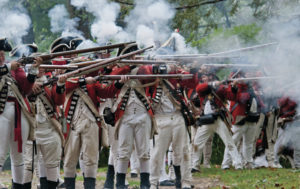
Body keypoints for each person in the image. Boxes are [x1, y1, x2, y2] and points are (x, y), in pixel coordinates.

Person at [61, 37, 127, 189]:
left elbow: (106, 92)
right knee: (70, 159)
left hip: (90, 123)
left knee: (91, 158)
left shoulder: (91, 82)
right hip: (71, 124)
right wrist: (83, 81)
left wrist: (119, 83)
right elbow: (65, 86)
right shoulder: (67, 81)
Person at [112, 43, 156, 189]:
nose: (133, 57)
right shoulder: (118, 69)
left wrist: (138, 66)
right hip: (125, 116)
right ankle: (120, 183)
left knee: (143, 151)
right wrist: (128, 67)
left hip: (142, 114)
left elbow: (150, 79)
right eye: (130, 55)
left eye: (134, 55)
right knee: (123, 151)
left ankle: (145, 183)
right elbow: (111, 80)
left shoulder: (143, 67)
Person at [0, 38, 41, 189]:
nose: (2, 57)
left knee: (19, 155)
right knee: (0, 152)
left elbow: (26, 87)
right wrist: (9, 66)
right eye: (0, 54)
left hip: (19, 111)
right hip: (1, 113)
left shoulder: (14, 68)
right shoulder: (9, 67)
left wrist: (33, 71)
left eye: (3, 53)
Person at [149, 64, 196, 189]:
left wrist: (175, 69)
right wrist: (154, 68)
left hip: (177, 116)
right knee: (157, 153)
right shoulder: (150, 75)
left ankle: (184, 181)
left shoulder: (174, 76)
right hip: (160, 118)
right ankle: (153, 182)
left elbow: (191, 81)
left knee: (183, 150)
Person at [193, 76, 243, 171]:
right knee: (197, 143)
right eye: (205, 80)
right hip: (205, 120)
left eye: (207, 80)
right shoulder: (203, 90)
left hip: (218, 119)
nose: (205, 81)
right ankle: (195, 166)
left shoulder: (220, 89)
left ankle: (238, 164)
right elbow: (199, 88)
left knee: (229, 143)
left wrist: (233, 87)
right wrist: (213, 84)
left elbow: (232, 97)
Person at [222, 71, 264, 169]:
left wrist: (264, 108)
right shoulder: (235, 87)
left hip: (252, 118)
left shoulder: (250, 88)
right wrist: (235, 84)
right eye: (247, 74)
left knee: (249, 143)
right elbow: (235, 97)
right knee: (233, 142)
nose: (249, 75)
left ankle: (248, 163)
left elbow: (257, 101)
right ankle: (225, 163)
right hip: (240, 119)